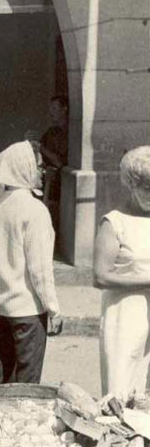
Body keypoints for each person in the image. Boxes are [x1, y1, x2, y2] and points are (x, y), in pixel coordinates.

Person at [0, 141, 62, 391]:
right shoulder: (35, 210)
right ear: (23, 167)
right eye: (38, 166)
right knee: (26, 384)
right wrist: (53, 309)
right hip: (27, 311)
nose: (42, 171)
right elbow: (40, 270)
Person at [94, 146, 150, 401]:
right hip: (126, 314)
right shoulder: (114, 222)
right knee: (122, 390)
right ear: (131, 185)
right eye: (147, 188)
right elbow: (101, 276)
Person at [40, 95, 68, 227]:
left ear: (64, 109)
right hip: (47, 181)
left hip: (58, 184)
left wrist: (41, 148)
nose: (51, 111)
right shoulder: (51, 131)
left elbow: (59, 162)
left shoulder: (69, 132)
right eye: (50, 108)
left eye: (55, 108)